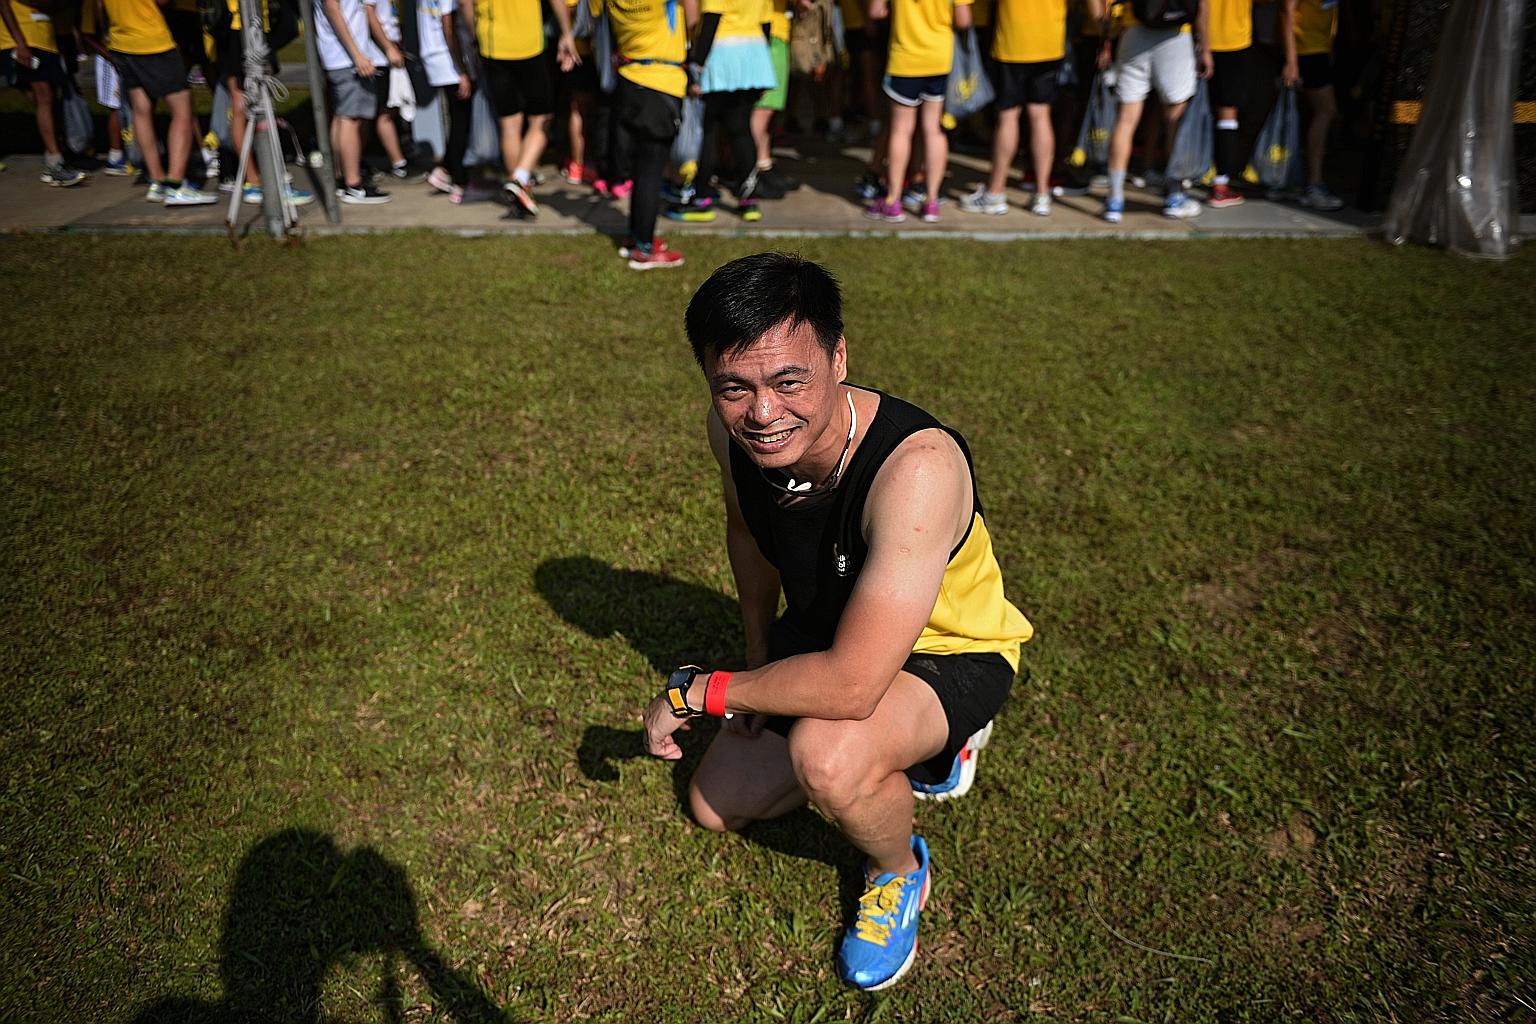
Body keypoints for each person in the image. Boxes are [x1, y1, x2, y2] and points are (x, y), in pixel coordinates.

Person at [643, 253, 1033, 990]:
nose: (764, 413)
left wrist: (700, 691)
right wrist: (756, 657)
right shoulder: (732, 434)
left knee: (830, 755)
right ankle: (917, 753)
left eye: (791, 381)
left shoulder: (917, 468)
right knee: (713, 806)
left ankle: (897, 869)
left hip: (949, 651)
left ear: (839, 356)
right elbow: (746, 536)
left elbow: (852, 686)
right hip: (832, 633)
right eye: (735, 387)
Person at [961, 0, 1104, 217]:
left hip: (1012, 41)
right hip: (1049, 43)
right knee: (1040, 114)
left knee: (1008, 116)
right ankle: (1041, 194)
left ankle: (995, 192)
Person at [1098, 0, 1209, 222]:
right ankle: (1176, 195)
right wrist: (1205, 47)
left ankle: (1115, 199)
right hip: (1175, 36)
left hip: (1135, 32)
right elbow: (1202, 6)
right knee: (1174, 120)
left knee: (1126, 119)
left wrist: (1109, 35)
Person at [99, 0, 220, 205]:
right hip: (152, 40)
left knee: (141, 110)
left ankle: (157, 181)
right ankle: (176, 184)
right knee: (182, 108)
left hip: (121, 39)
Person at [606, 0, 696, 269]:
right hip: (661, 82)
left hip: (629, 77)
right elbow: (693, 18)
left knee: (641, 168)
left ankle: (636, 238)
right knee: (651, 171)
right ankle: (644, 249)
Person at [864, 0, 972, 223]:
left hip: (905, 57)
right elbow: (964, 20)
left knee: (901, 130)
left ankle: (893, 201)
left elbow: (875, 11)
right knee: (934, 129)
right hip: (940, 58)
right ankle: (931, 202)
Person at [469, 0, 578, 216]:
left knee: (510, 124)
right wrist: (567, 32)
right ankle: (519, 179)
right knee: (541, 119)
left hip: (492, 45)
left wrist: (476, 36)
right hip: (529, 45)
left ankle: (519, 191)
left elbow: (465, 4)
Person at [682, 0, 776, 219]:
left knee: (709, 130)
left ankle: (702, 196)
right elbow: (766, 25)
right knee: (741, 130)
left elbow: (711, 22)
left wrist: (697, 64)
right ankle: (749, 200)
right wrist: (762, 66)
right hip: (754, 55)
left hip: (722, 56)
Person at [1, 0, 86, 186]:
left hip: (44, 40)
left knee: (46, 100)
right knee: (44, 98)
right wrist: (20, 43)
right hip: (26, 39)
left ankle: (54, 155)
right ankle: (55, 163)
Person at [316, 0, 394, 202]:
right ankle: (353, 184)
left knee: (343, 117)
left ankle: (343, 177)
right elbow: (333, 10)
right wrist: (357, 55)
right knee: (351, 119)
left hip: (346, 56)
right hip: (346, 58)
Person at [1280, 0, 1343, 210]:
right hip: (1307, 49)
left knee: (1318, 112)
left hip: (1321, 47)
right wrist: (1292, 61)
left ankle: (1299, 179)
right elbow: (1287, 11)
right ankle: (1314, 184)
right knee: (1326, 110)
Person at [422, 0, 476, 202]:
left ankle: (444, 171)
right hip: (449, 61)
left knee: (457, 120)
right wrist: (462, 69)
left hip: (437, 58)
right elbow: (448, 25)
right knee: (461, 123)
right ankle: (459, 183)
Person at [1203, 0, 1250, 207]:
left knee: (1181, 108)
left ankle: (1181, 178)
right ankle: (1220, 184)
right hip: (1232, 39)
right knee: (1228, 113)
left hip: (1197, 35)